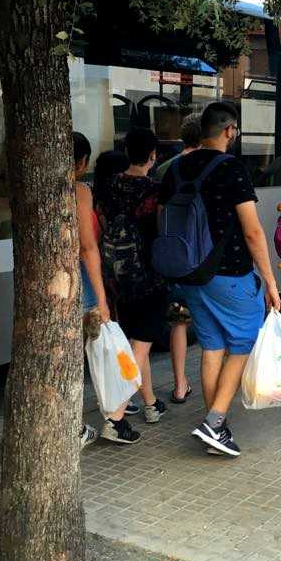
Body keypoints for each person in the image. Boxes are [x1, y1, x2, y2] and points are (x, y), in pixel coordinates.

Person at [158, 101, 281, 457]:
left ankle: (216, 427)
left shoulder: (175, 168)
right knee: (243, 343)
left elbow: (162, 218)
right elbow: (253, 231)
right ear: (229, 130)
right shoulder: (232, 168)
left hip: (188, 273)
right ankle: (214, 422)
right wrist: (271, 282)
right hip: (229, 273)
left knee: (212, 345)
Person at [98, 127, 170, 425]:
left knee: (136, 343)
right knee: (139, 347)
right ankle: (115, 418)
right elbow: (163, 229)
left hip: (118, 277)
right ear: (153, 155)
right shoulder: (155, 190)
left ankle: (150, 403)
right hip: (149, 276)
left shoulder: (109, 185)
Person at [72, 133, 140, 445]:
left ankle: (76, 425)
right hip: (79, 282)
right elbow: (88, 247)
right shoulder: (79, 191)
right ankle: (111, 420)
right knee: (92, 354)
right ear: (81, 162)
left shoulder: (31, 187)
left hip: (46, 288)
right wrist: (101, 299)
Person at [152, 113, 202, 404]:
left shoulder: (165, 169)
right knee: (213, 321)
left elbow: (159, 213)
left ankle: (180, 385)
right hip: (205, 258)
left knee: (179, 320)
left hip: (175, 255)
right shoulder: (214, 166)